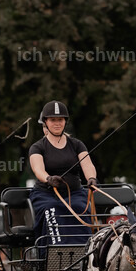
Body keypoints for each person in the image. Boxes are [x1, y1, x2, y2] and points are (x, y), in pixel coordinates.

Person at [28, 100, 98, 247]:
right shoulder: (37, 147)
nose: (57, 123)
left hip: (75, 193)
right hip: (46, 194)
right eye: (53, 120)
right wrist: (48, 178)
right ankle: (52, 252)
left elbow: (87, 164)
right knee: (52, 208)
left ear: (65, 121)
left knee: (79, 207)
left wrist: (91, 178)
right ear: (46, 122)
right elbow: (37, 169)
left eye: (60, 119)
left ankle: (84, 253)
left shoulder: (77, 144)